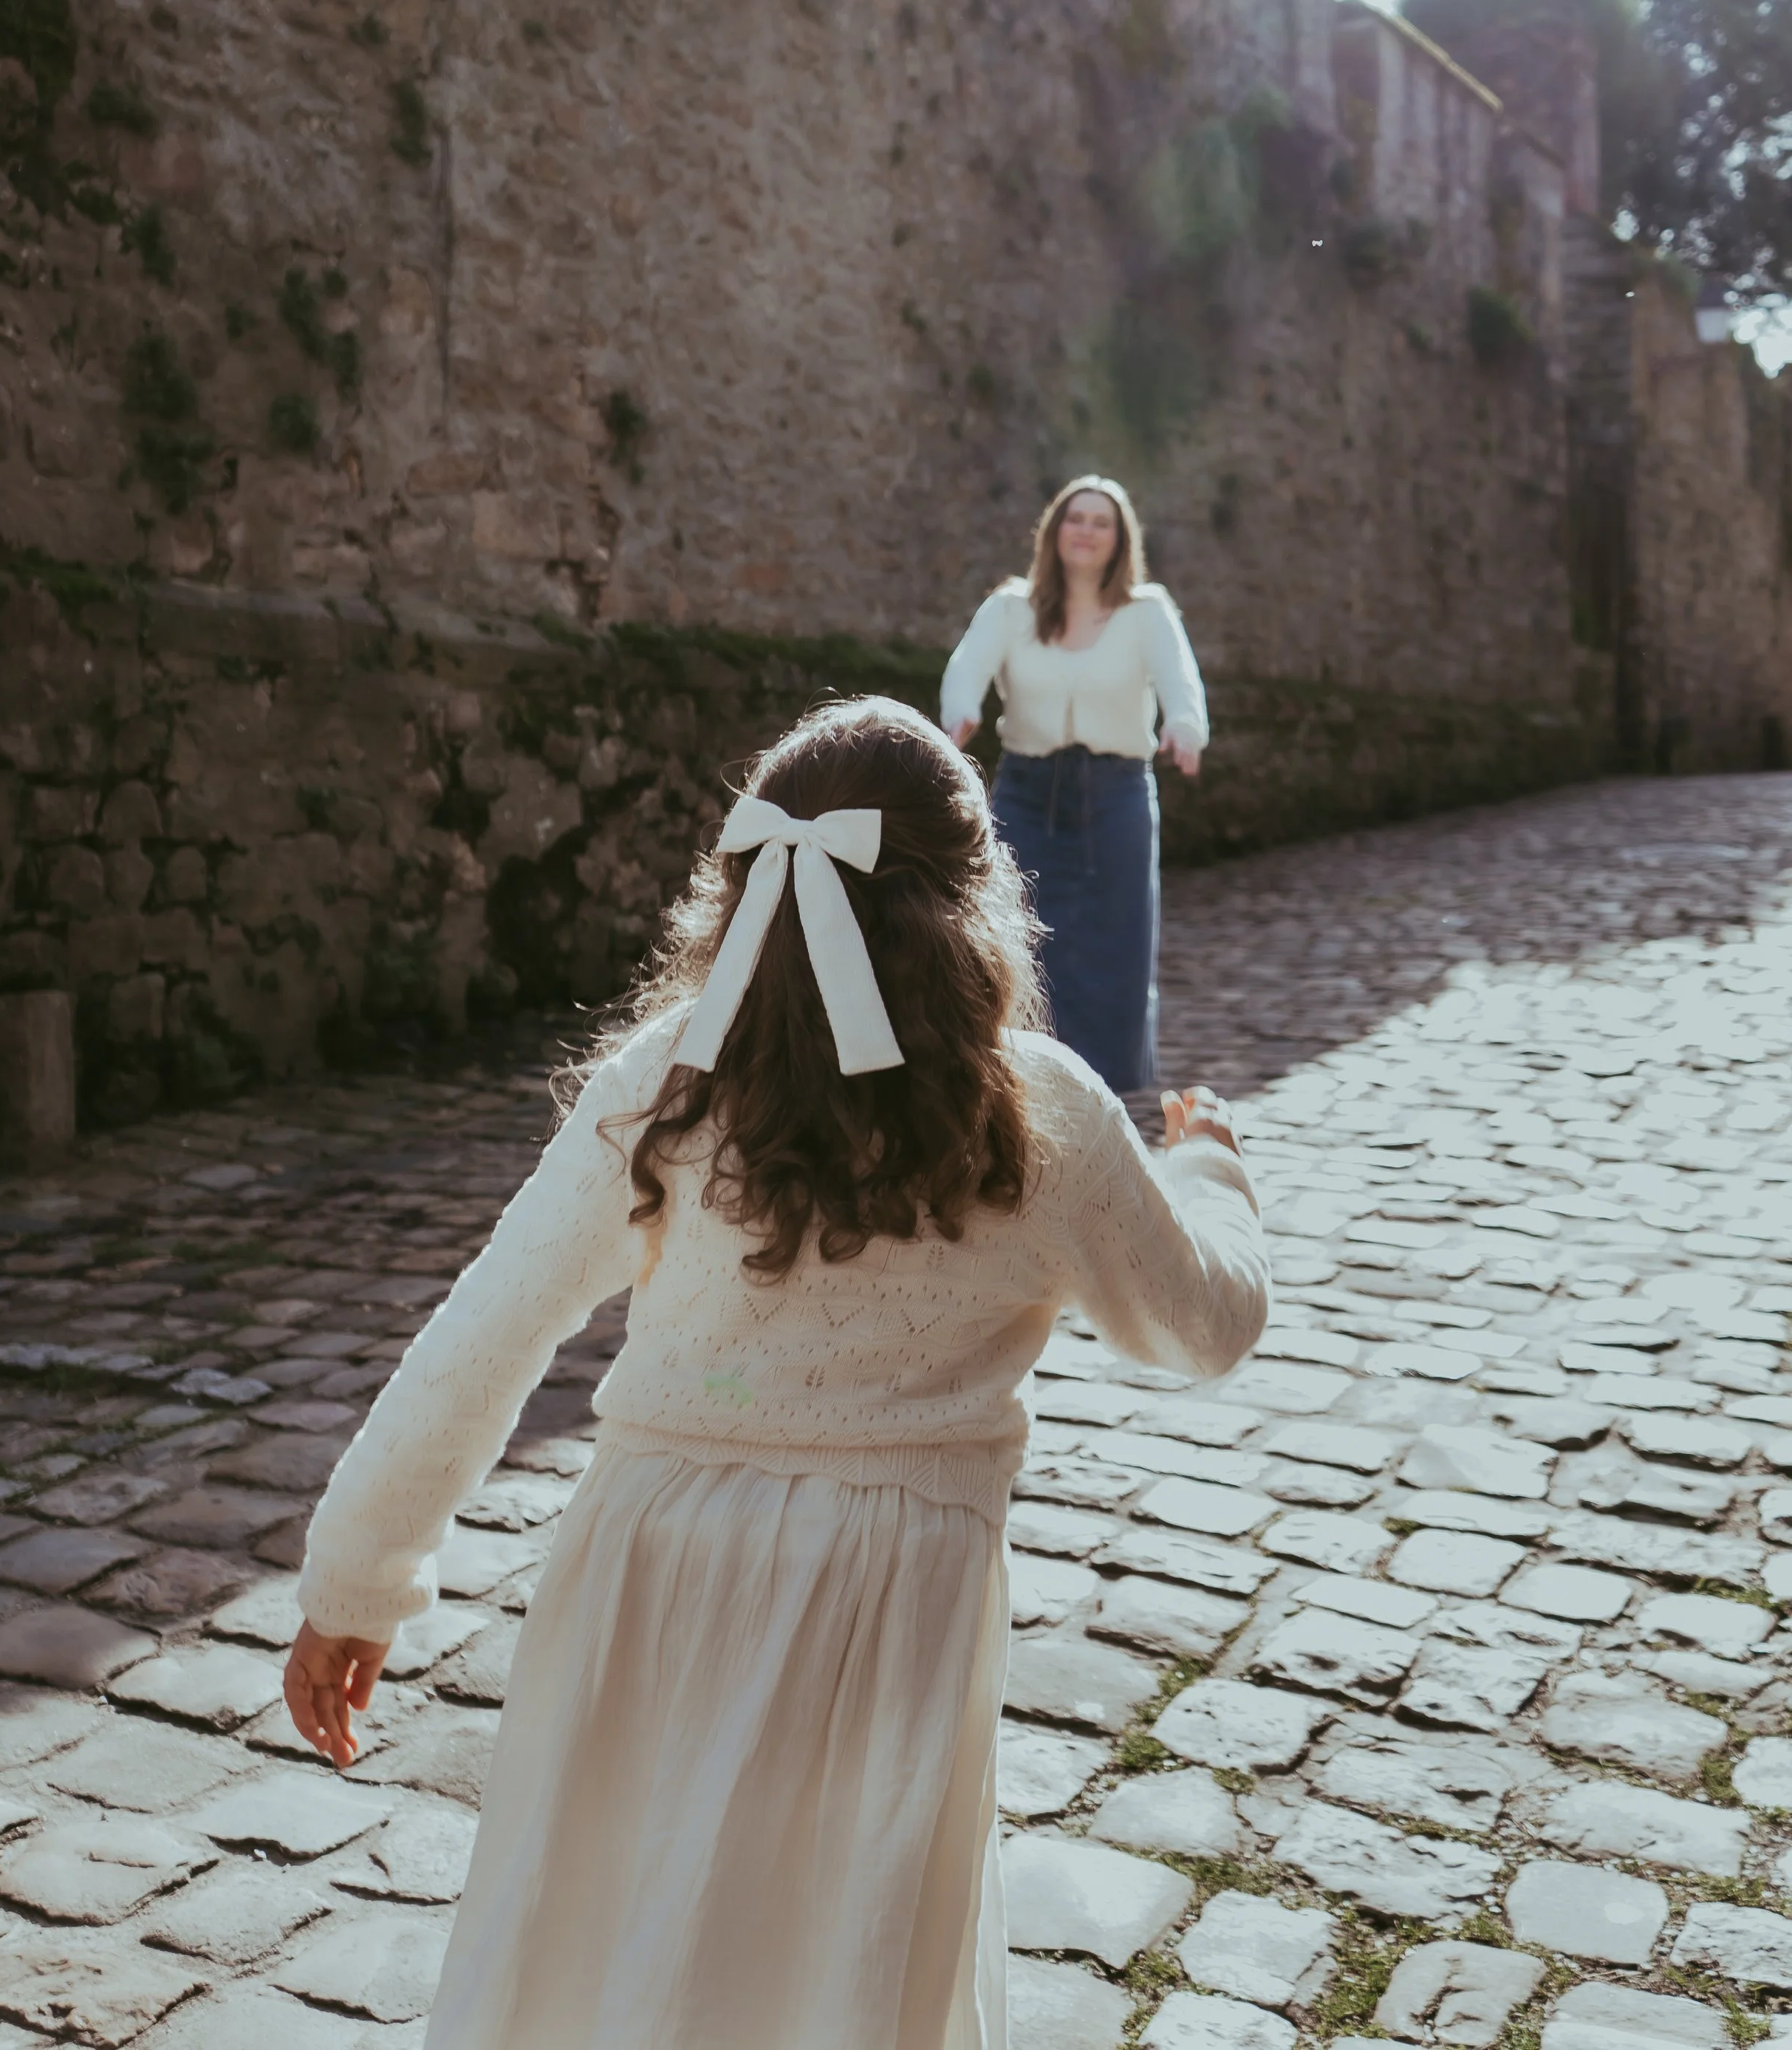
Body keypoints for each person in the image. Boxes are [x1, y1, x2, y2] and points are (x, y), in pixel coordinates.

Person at [284, 696, 1265, 2050]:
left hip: (651, 1568)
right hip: (889, 1606)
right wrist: (1208, 1166)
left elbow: (488, 1327)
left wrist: (356, 1578)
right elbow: (1202, 1325)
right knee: (829, 1977)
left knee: (600, 1953)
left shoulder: (665, 1085)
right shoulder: (1038, 1114)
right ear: (972, 899)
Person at [942, 476, 1207, 1134]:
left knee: (1115, 947)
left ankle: (1104, 1102)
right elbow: (966, 667)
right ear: (1054, 531)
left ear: (1120, 541)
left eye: (1101, 522)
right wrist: (962, 712)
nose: (1086, 531)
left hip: (1117, 795)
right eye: (1075, 519)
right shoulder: (1009, 609)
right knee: (1018, 940)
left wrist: (1185, 728)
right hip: (1028, 794)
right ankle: (1013, 1080)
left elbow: (1182, 684)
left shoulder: (1147, 612)